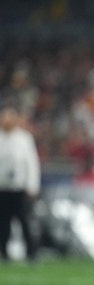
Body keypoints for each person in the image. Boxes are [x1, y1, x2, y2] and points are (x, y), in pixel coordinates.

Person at [0, 102, 40, 262]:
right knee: (3, 223)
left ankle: (32, 253)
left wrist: (32, 185)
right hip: (2, 187)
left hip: (19, 187)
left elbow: (32, 163)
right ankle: (4, 253)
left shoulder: (24, 138)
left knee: (25, 221)